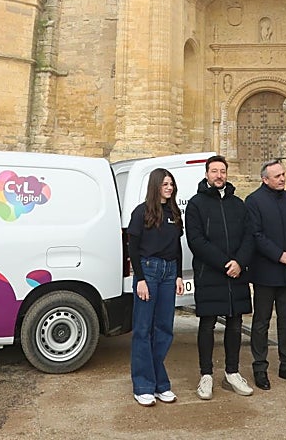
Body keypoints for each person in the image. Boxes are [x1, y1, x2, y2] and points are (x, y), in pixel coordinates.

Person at [184, 155, 255, 400]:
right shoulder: (196, 204)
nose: (219, 175)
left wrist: (239, 262)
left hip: (237, 273)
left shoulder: (238, 204)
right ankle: (206, 375)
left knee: (235, 324)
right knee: (207, 324)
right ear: (206, 174)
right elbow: (196, 240)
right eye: (214, 171)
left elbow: (249, 237)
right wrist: (225, 263)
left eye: (222, 171)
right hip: (210, 273)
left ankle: (232, 373)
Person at [245, 159, 286, 389]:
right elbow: (256, 235)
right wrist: (279, 255)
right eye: (277, 176)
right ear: (265, 179)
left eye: (283, 174)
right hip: (265, 272)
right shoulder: (254, 201)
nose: (282, 178)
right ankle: (260, 367)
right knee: (261, 322)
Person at [127, 168, 185, 406]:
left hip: (169, 272)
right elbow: (133, 246)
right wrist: (139, 278)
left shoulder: (174, 211)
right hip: (148, 272)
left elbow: (178, 247)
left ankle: (159, 383)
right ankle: (142, 385)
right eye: (164, 184)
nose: (169, 188)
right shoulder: (141, 212)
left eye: (171, 184)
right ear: (155, 186)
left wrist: (179, 275)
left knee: (164, 328)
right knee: (143, 329)